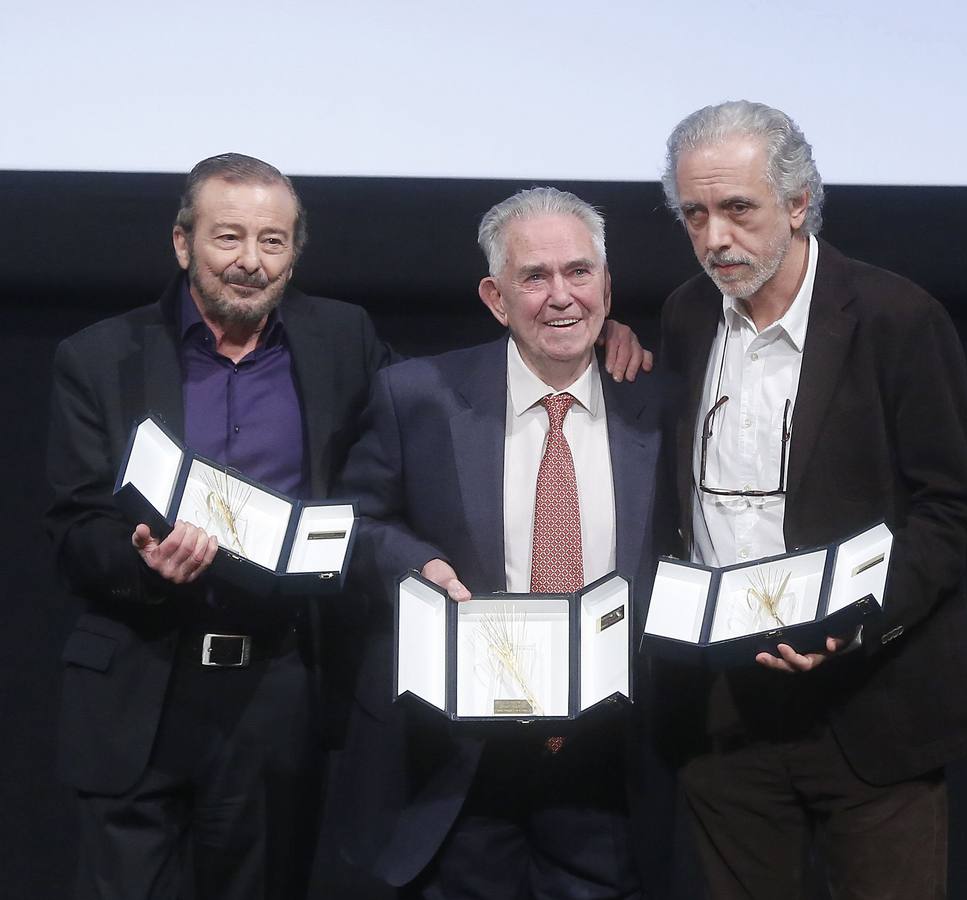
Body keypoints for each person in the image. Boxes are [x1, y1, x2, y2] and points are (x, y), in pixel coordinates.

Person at [46, 154, 650, 900]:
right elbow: (73, 525)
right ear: (183, 244)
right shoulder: (101, 356)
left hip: (279, 688)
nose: (248, 261)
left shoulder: (341, 339)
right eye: (227, 238)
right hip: (140, 688)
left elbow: (445, 409)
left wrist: (594, 332)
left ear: (294, 252)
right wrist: (141, 560)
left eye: (272, 242)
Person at [657, 101, 967, 899]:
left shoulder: (894, 318)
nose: (714, 239)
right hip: (723, 715)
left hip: (871, 710)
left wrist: (856, 620)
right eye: (694, 214)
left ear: (798, 203)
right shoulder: (683, 315)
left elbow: (953, 510)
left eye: (738, 210)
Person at [330, 187, 676, 899]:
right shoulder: (416, 395)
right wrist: (414, 565)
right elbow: (354, 528)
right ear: (494, 297)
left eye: (579, 273)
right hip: (461, 763)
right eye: (534, 277)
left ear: (607, 287)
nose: (561, 297)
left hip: (609, 764)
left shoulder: (661, 402)